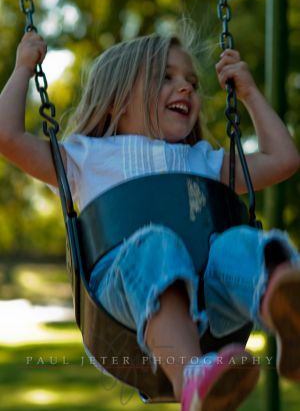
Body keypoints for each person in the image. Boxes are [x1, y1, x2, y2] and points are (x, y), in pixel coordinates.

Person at [0, 29, 299, 411]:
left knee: (236, 243)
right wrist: (24, 68)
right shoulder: (84, 158)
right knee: (156, 242)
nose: (186, 88)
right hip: (125, 301)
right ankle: (193, 376)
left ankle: (285, 305)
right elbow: (6, 136)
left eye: (191, 81)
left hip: (209, 298)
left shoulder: (203, 160)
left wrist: (250, 95)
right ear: (117, 100)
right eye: (166, 77)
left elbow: (284, 160)